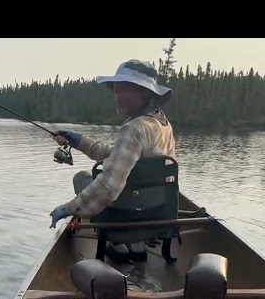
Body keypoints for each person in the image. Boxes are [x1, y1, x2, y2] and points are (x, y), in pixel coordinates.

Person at [49, 59, 176, 256]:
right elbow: (116, 155)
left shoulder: (134, 129)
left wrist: (69, 209)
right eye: (117, 89)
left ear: (144, 93)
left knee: (82, 178)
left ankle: (118, 244)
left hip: (128, 211)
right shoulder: (161, 124)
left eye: (125, 89)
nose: (117, 96)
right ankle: (137, 242)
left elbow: (107, 187)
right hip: (156, 208)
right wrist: (80, 141)